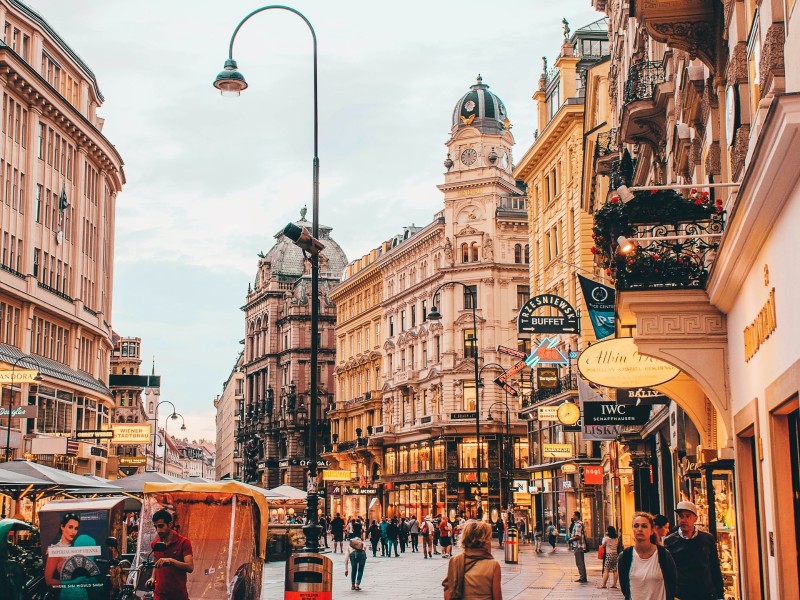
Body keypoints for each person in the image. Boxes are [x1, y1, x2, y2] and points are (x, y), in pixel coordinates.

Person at [663, 501, 724, 600]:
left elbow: (714, 566)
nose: (684, 520)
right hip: (681, 594)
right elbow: (667, 572)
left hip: (706, 593)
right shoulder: (670, 541)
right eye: (681, 516)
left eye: (688, 516)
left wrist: (720, 594)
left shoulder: (707, 538)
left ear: (695, 518)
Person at [618, 512, 677, 600]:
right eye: (636, 526)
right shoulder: (625, 556)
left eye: (644, 526)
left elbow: (672, 583)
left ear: (652, 530)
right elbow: (624, 587)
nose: (640, 529)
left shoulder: (663, 554)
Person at [441, 520, 502, 600]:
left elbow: (448, 594)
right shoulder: (494, 565)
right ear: (485, 541)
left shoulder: (455, 561)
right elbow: (497, 597)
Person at [147, 509, 194, 600]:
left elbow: (190, 567)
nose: (158, 530)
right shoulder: (155, 544)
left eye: (161, 526)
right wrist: (152, 577)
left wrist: (171, 560)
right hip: (159, 594)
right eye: (156, 527)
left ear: (169, 524)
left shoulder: (183, 542)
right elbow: (156, 561)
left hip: (178, 594)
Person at [45, 513, 81, 587]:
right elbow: (48, 580)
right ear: (62, 527)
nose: (73, 532)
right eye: (70, 527)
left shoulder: (76, 547)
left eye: (76, 528)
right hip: (64, 593)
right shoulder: (55, 550)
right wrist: (73, 582)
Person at [598, 525, 620, 589]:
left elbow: (603, 545)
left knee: (606, 570)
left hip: (609, 555)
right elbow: (617, 545)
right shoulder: (616, 538)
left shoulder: (606, 538)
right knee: (615, 570)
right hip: (615, 555)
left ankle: (603, 584)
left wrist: (605, 536)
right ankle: (614, 584)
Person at [570, 511, 587, 583]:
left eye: (574, 515)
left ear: (577, 516)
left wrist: (571, 539)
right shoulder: (579, 523)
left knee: (579, 562)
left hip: (578, 545)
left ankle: (582, 577)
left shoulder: (577, 525)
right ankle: (583, 576)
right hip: (579, 545)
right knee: (581, 561)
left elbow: (578, 536)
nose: (572, 517)